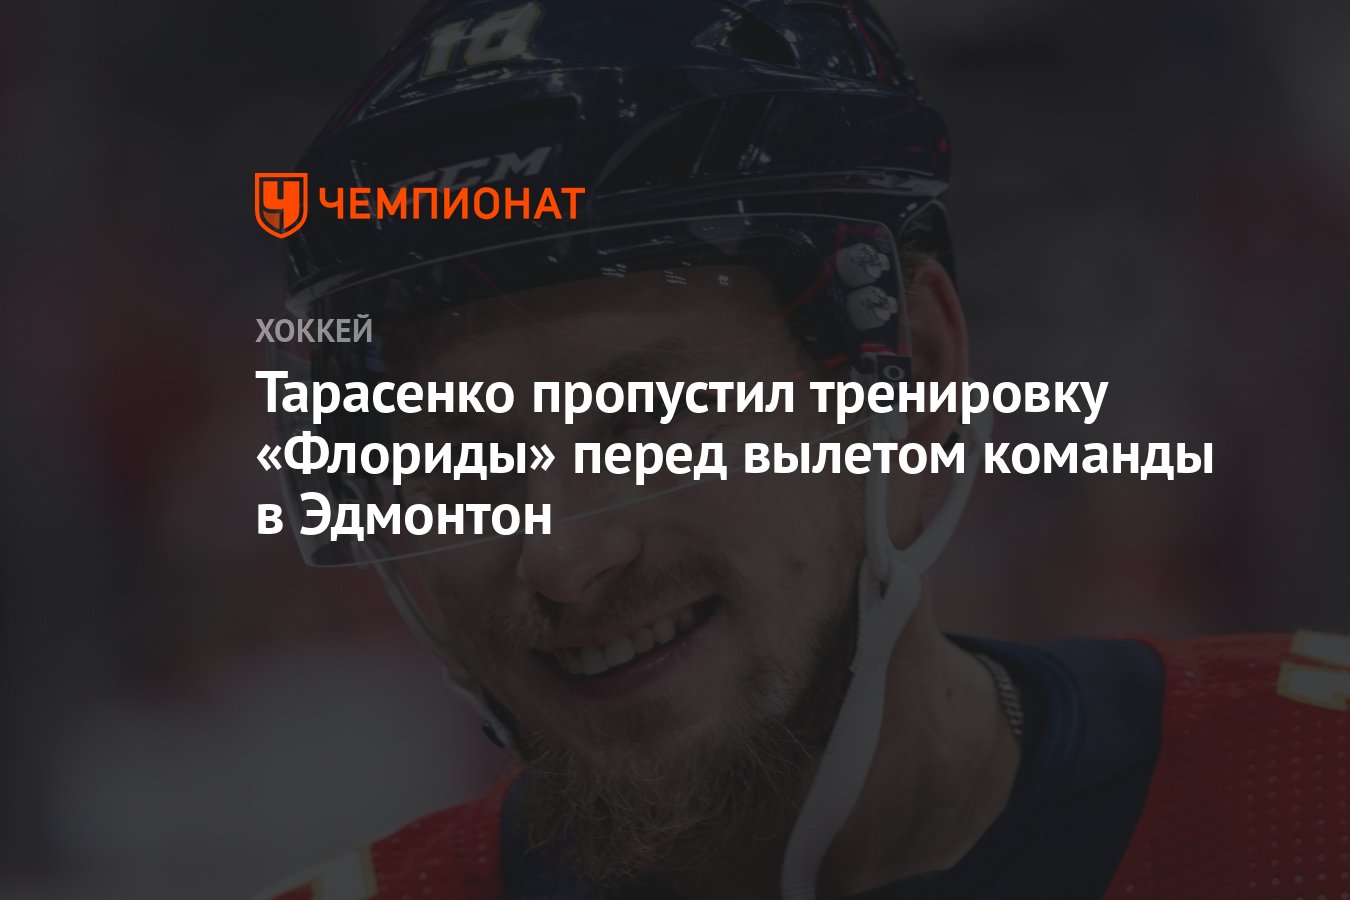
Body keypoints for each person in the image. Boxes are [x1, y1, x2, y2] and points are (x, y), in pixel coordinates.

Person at [254, 1, 1350, 897]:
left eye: (648, 416)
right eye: (459, 456)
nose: (562, 558)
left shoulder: (1317, 798)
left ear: (915, 375)